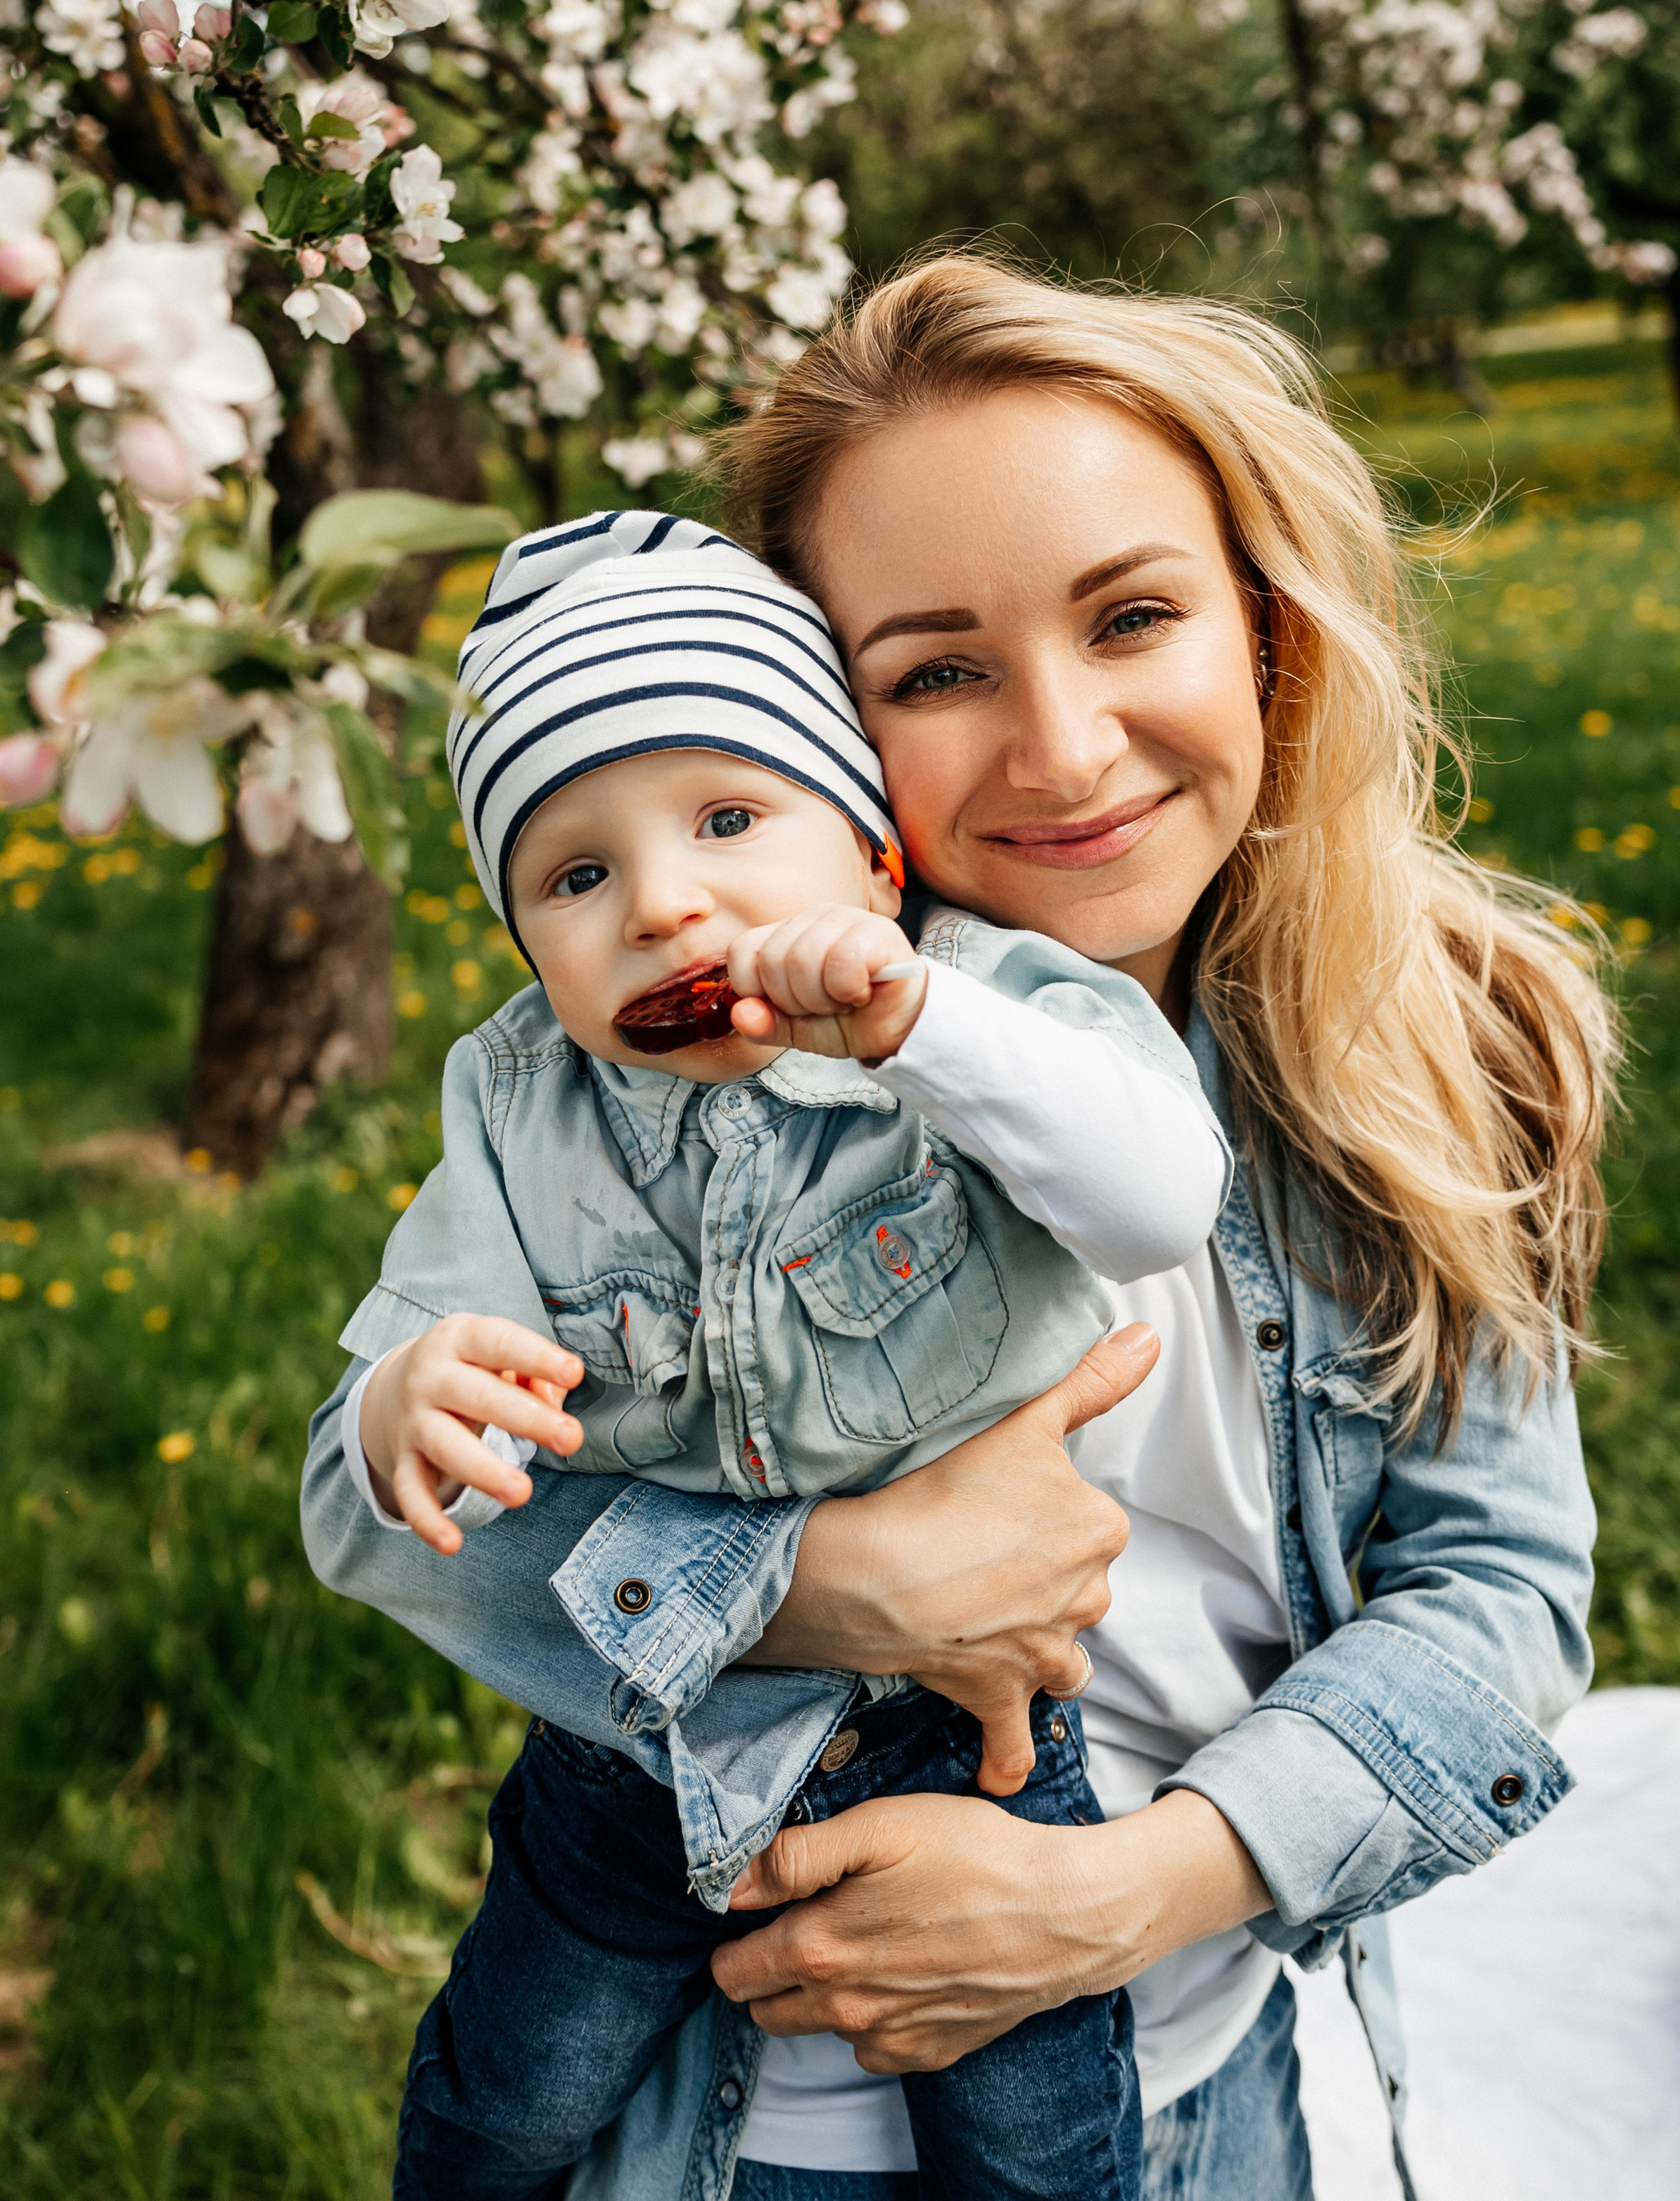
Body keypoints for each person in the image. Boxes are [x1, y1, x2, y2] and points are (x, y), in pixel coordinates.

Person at [303, 252, 1612, 2201]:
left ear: (1263, 629)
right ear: (815, 738)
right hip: (728, 2125)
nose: (1066, 747)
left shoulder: (1418, 1050)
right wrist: (811, 1581)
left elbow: (1501, 1598)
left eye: (1133, 617)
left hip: (1178, 2074)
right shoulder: (682, 1099)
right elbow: (366, 1501)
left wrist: (1124, 1896)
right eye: (935, 670)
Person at [337, 510, 1230, 2197]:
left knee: (1031, 2142)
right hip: (641, 1745)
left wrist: (916, 1026)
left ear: (872, 851)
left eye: (731, 820)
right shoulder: (527, 1102)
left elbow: (1156, 1198)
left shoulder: (984, 1013)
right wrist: (409, 1395)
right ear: (529, 952)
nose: (662, 905)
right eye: (575, 876)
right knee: (504, 2100)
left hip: (969, 1726)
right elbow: (400, 1365)